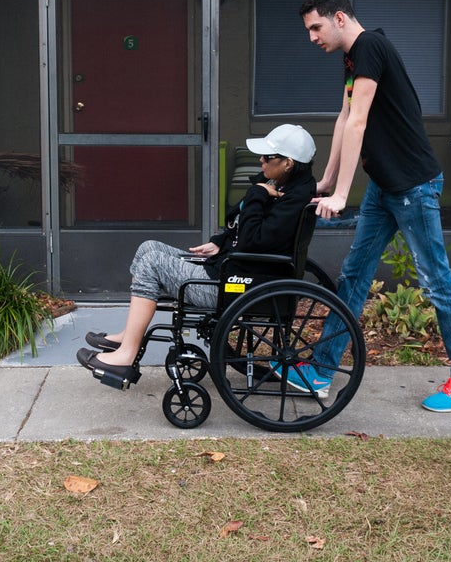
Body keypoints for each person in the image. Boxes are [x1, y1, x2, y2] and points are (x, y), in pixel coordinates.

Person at [289, 0, 451, 413]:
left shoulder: (370, 46)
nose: (312, 37)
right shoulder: (352, 56)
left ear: (339, 18)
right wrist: (325, 180)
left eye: (316, 28)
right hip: (385, 186)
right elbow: (344, 118)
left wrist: (343, 194)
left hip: (413, 187)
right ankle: (321, 371)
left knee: (437, 283)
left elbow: (359, 120)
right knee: (354, 276)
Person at [76, 124, 317, 383]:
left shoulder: (291, 199)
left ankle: (126, 355)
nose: (261, 160)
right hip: (233, 267)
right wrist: (219, 241)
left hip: (236, 284)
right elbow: (239, 224)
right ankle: (128, 335)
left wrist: (257, 193)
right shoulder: (282, 185)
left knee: (151, 264)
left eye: (268, 157)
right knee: (148, 247)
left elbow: (251, 240)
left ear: (288, 163)